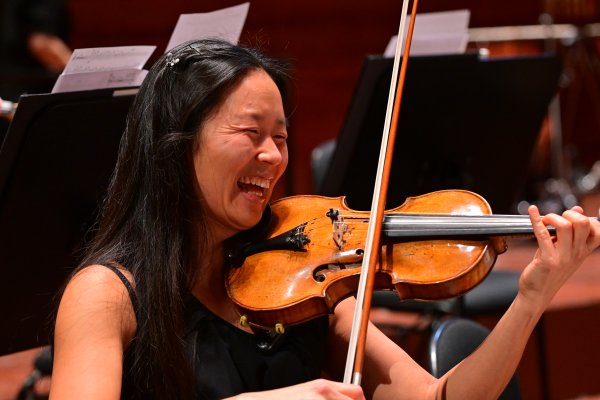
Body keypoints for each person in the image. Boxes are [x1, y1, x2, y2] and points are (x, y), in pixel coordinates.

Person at [49, 38, 600, 400]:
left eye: (281, 137)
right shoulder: (107, 294)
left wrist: (531, 300)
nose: (273, 156)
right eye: (250, 133)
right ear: (176, 144)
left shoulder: (306, 277)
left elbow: (438, 398)